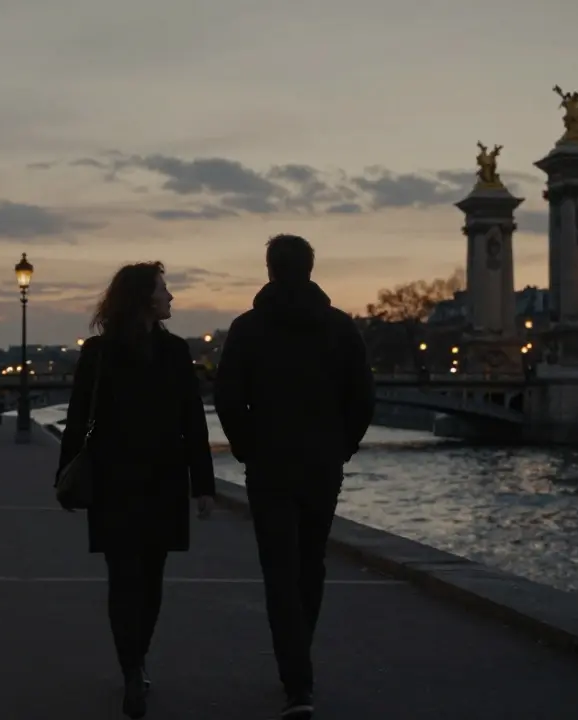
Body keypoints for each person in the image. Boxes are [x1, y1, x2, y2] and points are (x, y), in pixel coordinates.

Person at [213, 235, 374, 720]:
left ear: (269, 269)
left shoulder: (246, 329)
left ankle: (296, 680)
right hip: (323, 465)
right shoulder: (341, 328)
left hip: (270, 466)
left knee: (279, 570)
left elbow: (226, 399)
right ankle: (300, 660)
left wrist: (248, 449)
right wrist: (341, 446)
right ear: (310, 268)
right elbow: (362, 399)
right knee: (311, 564)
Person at [57, 261, 216, 719]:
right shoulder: (172, 352)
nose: (171, 298)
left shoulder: (100, 352)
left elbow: (77, 421)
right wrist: (201, 485)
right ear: (146, 298)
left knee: (124, 579)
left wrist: (64, 475)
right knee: (149, 580)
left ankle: (131, 665)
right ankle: (136, 662)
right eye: (164, 290)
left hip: (114, 482)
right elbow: (192, 423)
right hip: (160, 481)